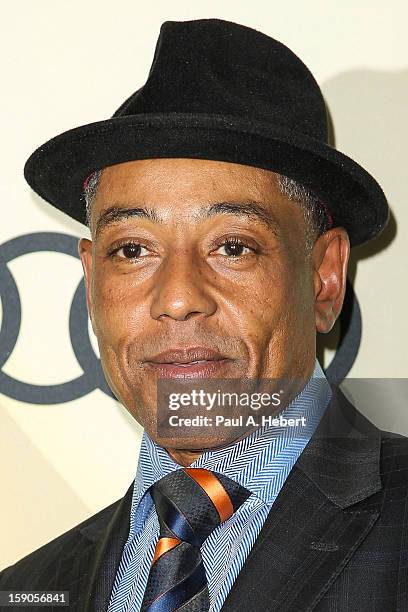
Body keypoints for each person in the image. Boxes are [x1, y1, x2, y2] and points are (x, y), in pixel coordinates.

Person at [0, 18, 406, 612]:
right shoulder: (28, 590)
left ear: (324, 277)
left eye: (233, 246)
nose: (178, 296)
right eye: (132, 250)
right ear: (91, 282)